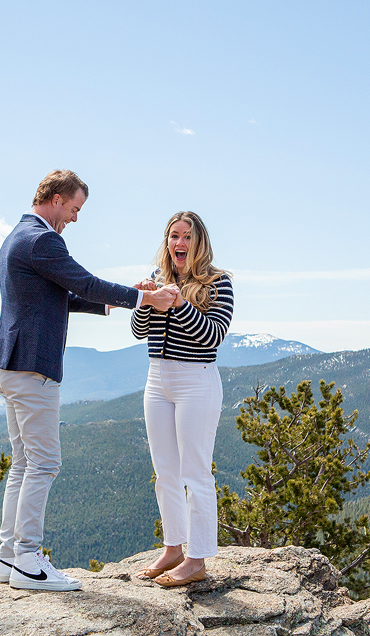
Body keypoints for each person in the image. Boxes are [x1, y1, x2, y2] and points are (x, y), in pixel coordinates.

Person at [0, 170, 176, 592]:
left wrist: (116, 300)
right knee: (45, 463)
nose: (74, 218)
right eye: (74, 209)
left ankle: (9, 556)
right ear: (55, 199)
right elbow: (85, 282)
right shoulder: (42, 240)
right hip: (32, 365)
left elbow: (64, 296)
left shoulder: (18, 236)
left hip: (9, 361)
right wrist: (146, 298)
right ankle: (30, 561)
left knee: (23, 462)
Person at [131, 211, 234, 587]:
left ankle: (197, 559)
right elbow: (140, 331)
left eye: (187, 237)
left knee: (195, 472)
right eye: (174, 236)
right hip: (157, 379)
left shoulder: (218, 283)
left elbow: (212, 336)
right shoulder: (159, 280)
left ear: (199, 242)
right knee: (165, 472)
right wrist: (145, 300)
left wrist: (179, 305)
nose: (179, 243)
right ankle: (173, 546)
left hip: (196, 380)